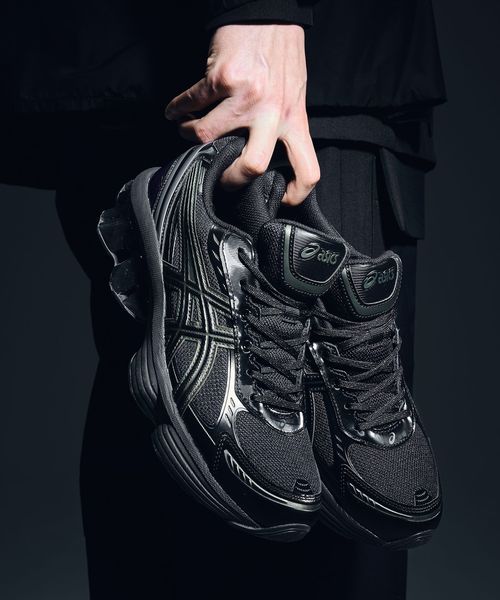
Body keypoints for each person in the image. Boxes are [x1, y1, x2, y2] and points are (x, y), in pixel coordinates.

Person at [0, 1, 446, 598]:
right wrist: (260, 11)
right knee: (252, 526)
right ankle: (215, 227)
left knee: (190, 508)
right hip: (260, 63)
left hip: (277, 70)